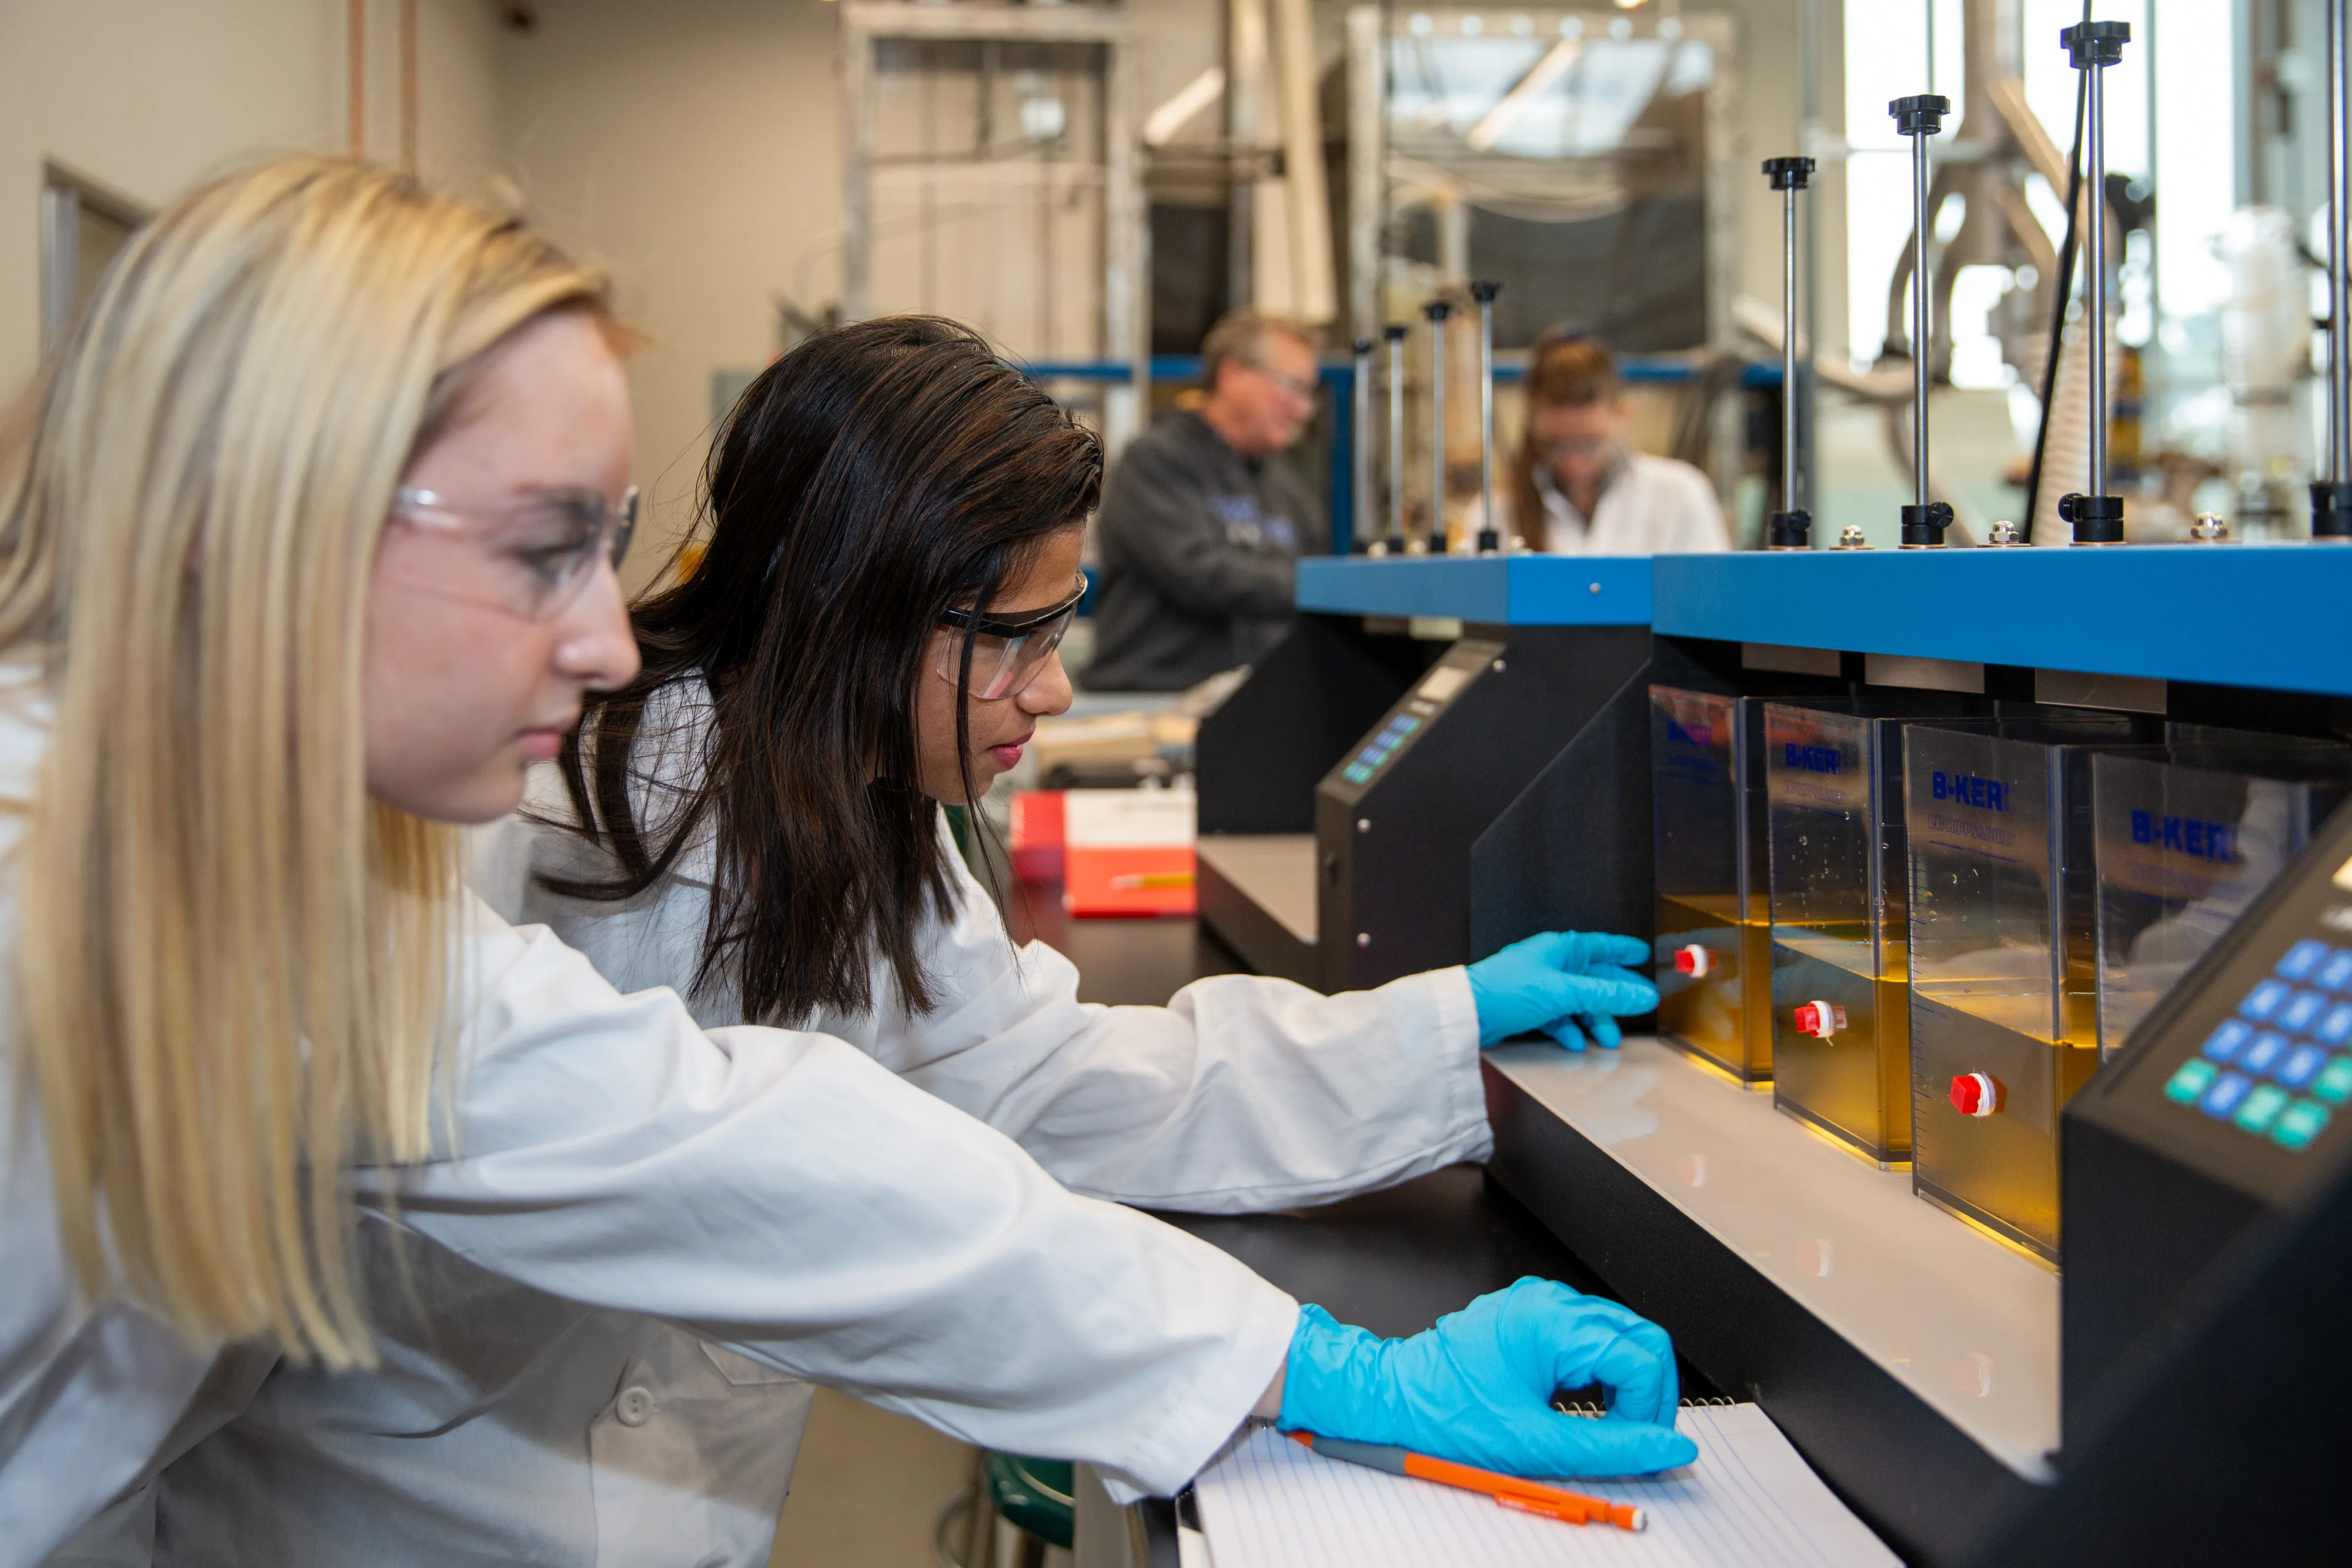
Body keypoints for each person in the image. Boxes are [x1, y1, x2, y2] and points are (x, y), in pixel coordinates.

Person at [0, 160, 1690, 1568]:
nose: (603, 640)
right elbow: (714, 1152)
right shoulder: (161, 886)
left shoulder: (243, 857)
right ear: (263, 523)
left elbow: (1016, 1073)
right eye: (540, 551)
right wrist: (1307, 1362)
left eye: (607, 544)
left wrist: (1438, 1042)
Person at [1083, 309, 1325, 690]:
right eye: (1293, 387)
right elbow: (1199, 573)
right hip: (1157, 695)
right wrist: (1320, 586)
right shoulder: (1156, 461)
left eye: (1310, 394)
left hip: (1256, 695)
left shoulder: (1287, 489)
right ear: (1232, 376)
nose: (1304, 409)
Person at [1509, 329, 1732, 555]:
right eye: (1556, 445)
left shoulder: (1680, 496)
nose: (1573, 463)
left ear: (1622, 413)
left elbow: (1715, 590)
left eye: (1590, 444)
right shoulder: (1497, 513)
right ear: (1530, 420)